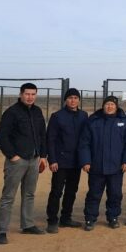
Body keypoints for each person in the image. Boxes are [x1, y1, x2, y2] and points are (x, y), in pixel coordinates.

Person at [0, 82, 48, 245]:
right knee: (8, 197)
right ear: (21, 94)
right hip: (17, 161)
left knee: (29, 194)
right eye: (27, 94)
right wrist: (12, 156)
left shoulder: (38, 112)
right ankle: (2, 231)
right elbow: (1, 136)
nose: (30, 97)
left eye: (33, 94)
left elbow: (42, 135)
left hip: (34, 160)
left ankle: (28, 224)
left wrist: (43, 156)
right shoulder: (12, 113)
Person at [79, 96, 126, 231]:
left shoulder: (124, 123)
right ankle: (90, 218)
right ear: (103, 106)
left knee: (115, 194)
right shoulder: (93, 122)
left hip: (116, 167)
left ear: (116, 107)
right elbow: (84, 143)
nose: (109, 107)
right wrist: (86, 161)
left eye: (112, 104)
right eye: (107, 104)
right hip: (96, 166)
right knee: (94, 193)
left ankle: (113, 217)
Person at [45, 87, 88, 233]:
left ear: (79, 100)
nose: (73, 100)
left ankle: (66, 218)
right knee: (56, 191)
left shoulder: (83, 115)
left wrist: (85, 159)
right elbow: (50, 139)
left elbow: (86, 139)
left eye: (76, 98)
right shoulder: (57, 116)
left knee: (72, 190)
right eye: (70, 98)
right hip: (60, 161)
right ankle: (52, 220)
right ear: (65, 100)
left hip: (76, 161)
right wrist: (52, 160)